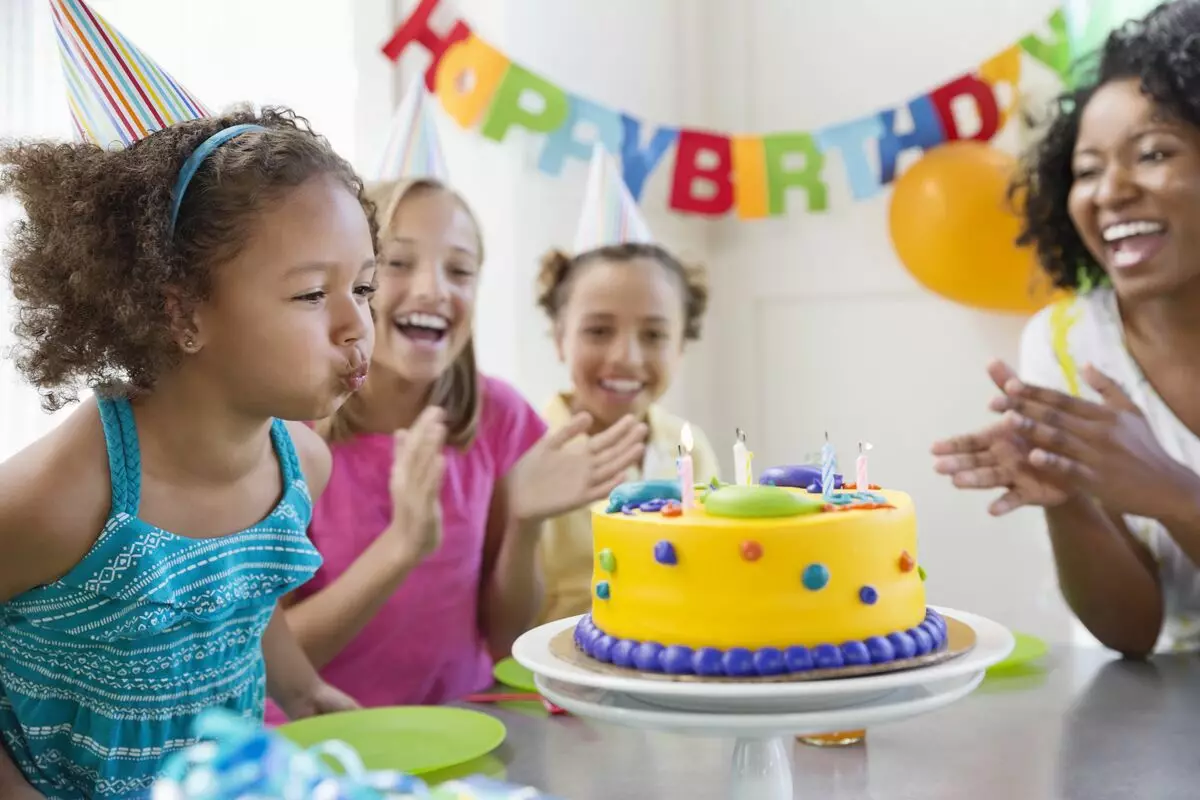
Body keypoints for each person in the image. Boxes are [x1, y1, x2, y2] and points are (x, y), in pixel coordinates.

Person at [0, 100, 374, 796]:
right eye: (314, 294)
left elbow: (237, 605)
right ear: (183, 312)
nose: (357, 325)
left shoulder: (301, 469)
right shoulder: (67, 496)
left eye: (365, 287)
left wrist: (304, 693)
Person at [276, 86, 646, 710]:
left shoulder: (501, 419)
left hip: (468, 724)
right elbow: (274, 665)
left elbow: (507, 643)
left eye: (460, 269)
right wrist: (402, 546)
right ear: (355, 280)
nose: (433, 289)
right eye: (398, 263)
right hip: (321, 748)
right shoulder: (289, 436)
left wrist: (523, 520)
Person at [931, 0, 1200, 659]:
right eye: (1086, 170)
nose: (1109, 192)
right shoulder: (1067, 342)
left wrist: (1174, 492)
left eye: (1153, 153)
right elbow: (1135, 633)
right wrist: (1066, 501)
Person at [533, 145, 719, 625]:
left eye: (654, 335)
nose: (626, 358)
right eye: (598, 331)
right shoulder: (527, 449)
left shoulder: (690, 449)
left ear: (681, 346)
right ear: (559, 338)